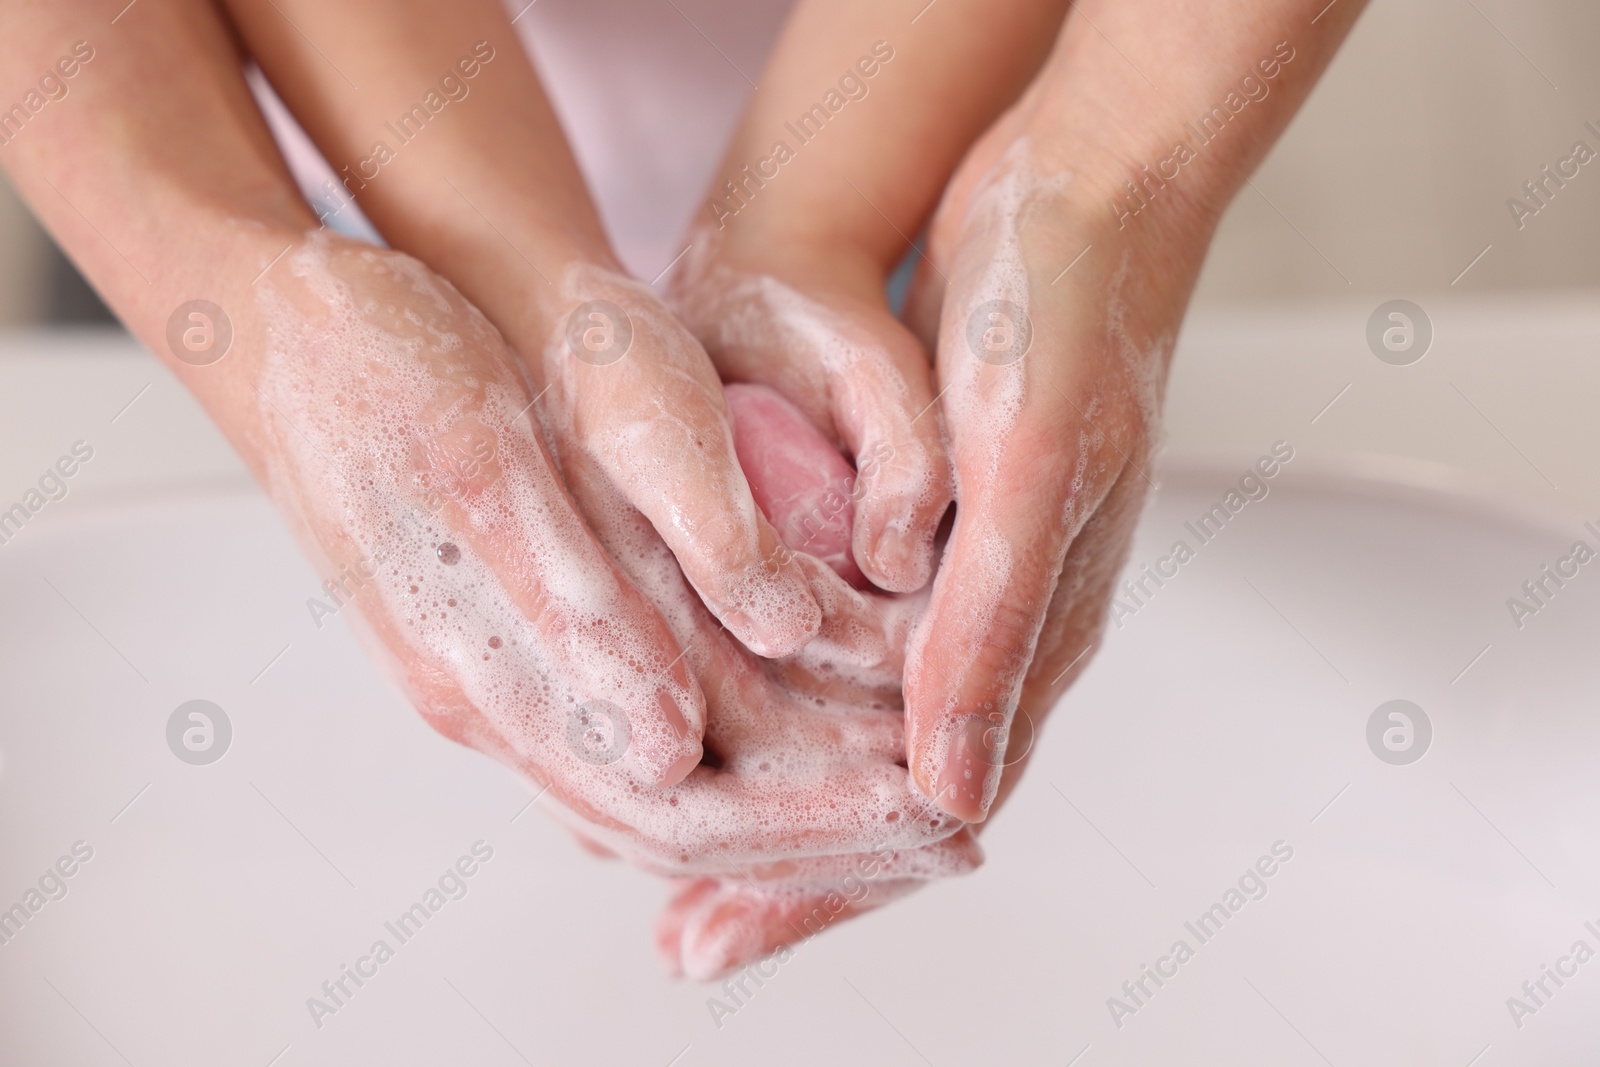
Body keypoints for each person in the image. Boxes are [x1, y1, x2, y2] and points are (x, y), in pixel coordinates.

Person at [0, 0, 1362, 977]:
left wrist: (1100, 170)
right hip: (239, 122)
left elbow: (1106, 156)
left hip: (957, 117)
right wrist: (266, 312)